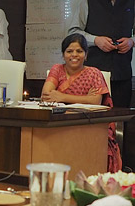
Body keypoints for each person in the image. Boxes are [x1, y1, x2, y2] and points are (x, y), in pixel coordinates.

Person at [68, 0, 135, 108]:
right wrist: (96, 40)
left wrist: (132, 41)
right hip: (92, 74)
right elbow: (74, 31)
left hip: (122, 73)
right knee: (92, 119)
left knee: (120, 121)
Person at [41, 33, 121, 172]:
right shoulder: (57, 69)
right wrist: (85, 98)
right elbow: (46, 95)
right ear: (63, 54)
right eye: (69, 51)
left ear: (86, 54)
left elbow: (95, 102)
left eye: (79, 51)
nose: (74, 55)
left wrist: (61, 97)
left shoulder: (93, 73)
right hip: (60, 123)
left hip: (90, 124)